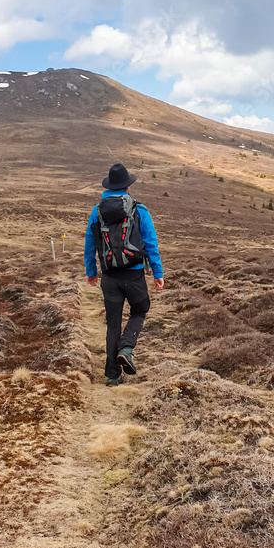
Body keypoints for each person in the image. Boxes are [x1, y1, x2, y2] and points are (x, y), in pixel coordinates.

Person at [84, 163, 164, 386]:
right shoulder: (140, 210)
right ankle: (127, 347)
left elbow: (89, 244)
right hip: (135, 275)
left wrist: (91, 272)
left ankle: (112, 376)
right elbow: (150, 243)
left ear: (109, 187)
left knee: (112, 324)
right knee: (140, 310)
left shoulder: (96, 211)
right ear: (127, 186)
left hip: (109, 277)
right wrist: (157, 272)